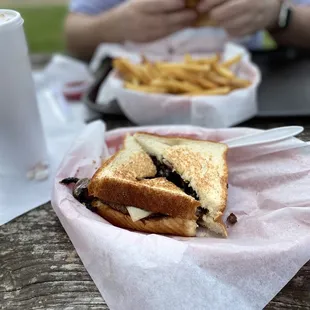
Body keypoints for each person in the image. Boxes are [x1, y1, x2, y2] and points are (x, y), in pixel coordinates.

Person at [65, 0, 310, 60]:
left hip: (248, 103)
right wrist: (112, 26)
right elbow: (74, 36)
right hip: (131, 108)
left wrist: (278, 14)